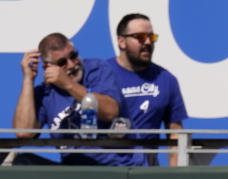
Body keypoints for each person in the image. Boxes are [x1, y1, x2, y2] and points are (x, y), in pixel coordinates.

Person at [12, 33, 121, 165]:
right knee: (23, 162)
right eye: (62, 63)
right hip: (72, 171)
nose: (71, 65)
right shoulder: (45, 93)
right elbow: (23, 132)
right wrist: (28, 79)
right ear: (47, 67)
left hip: (112, 166)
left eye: (73, 56)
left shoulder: (96, 70)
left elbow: (110, 112)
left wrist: (68, 85)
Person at [104, 13, 189, 166]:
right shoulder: (101, 75)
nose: (148, 42)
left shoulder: (166, 80)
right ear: (121, 41)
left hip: (146, 170)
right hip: (107, 166)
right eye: (141, 37)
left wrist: (177, 177)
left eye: (152, 37)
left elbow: (176, 134)